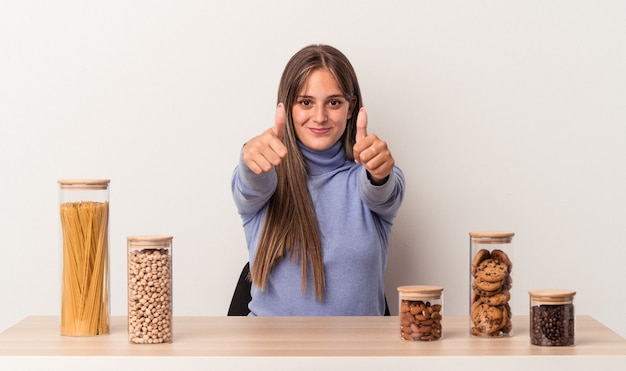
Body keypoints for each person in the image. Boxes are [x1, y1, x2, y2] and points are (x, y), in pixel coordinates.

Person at [231, 44, 405, 315]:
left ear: (351, 109)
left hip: (360, 354)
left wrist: (380, 173)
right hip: (271, 353)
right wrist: (249, 158)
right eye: (306, 102)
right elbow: (250, 185)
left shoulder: (369, 177)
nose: (320, 116)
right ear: (287, 108)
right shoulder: (268, 175)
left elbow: (383, 191)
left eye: (334, 102)